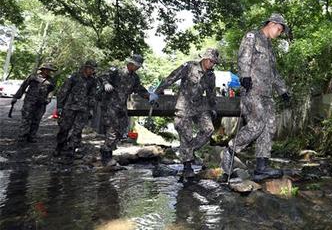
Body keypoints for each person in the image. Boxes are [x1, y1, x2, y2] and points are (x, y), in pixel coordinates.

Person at [220, 13, 292, 181]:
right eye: (279, 29)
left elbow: (274, 73)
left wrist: (283, 90)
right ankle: (231, 149)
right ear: (272, 24)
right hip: (252, 90)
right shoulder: (252, 36)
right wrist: (244, 75)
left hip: (267, 94)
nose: (279, 33)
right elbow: (243, 56)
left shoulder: (270, 48)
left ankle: (262, 166)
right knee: (257, 123)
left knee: (269, 126)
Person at [153, 48, 219, 179]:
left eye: (214, 62)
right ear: (205, 58)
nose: (212, 64)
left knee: (208, 129)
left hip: (199, 107)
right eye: (211, 61)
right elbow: (171, 77)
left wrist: (213, 107)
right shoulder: (189, 67)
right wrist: (157, 91)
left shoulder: (211, 76)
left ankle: (189, 150)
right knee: (186, 135)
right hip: (184, 107)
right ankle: (187, 167)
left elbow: (211, 92)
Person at [99, 54, 158, 166]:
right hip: (110, 105)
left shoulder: (134, 77)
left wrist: (149, 96)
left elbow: (139, 89)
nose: (138, 68)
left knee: (122, 129)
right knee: (112, 128)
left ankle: (108, 149)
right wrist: (106, 83)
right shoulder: (117, 71)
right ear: (131, 63)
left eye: (139, 66)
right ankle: (106, 155)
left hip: (121, 106)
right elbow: (102, 76)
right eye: (137, 66)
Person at [54, 60, 98, 161]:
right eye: (90, 68)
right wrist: (59, 107)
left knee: (77, 131)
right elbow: (63, 91)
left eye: (93, 69)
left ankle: (71, 150)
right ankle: (59, 147)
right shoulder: (74, 77)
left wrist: (91, 109)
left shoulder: (93, 81)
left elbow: (92, 96)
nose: (91, 71)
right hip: (69, 107)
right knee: (64, 128)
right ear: (85, 67)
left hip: (83, 109)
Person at [11, 63, 57, 143]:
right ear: (42, 69)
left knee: (36, 120)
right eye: (46, 70)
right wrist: (16, 97)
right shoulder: (33, 77)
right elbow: (23, 86)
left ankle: (31, 136)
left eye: (50, 70)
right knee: (26, 119)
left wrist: (48, 99)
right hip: (29, 101)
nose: (48, 71)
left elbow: (51, 91)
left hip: (41, 103)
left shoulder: (51, 80)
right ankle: (22, 137)